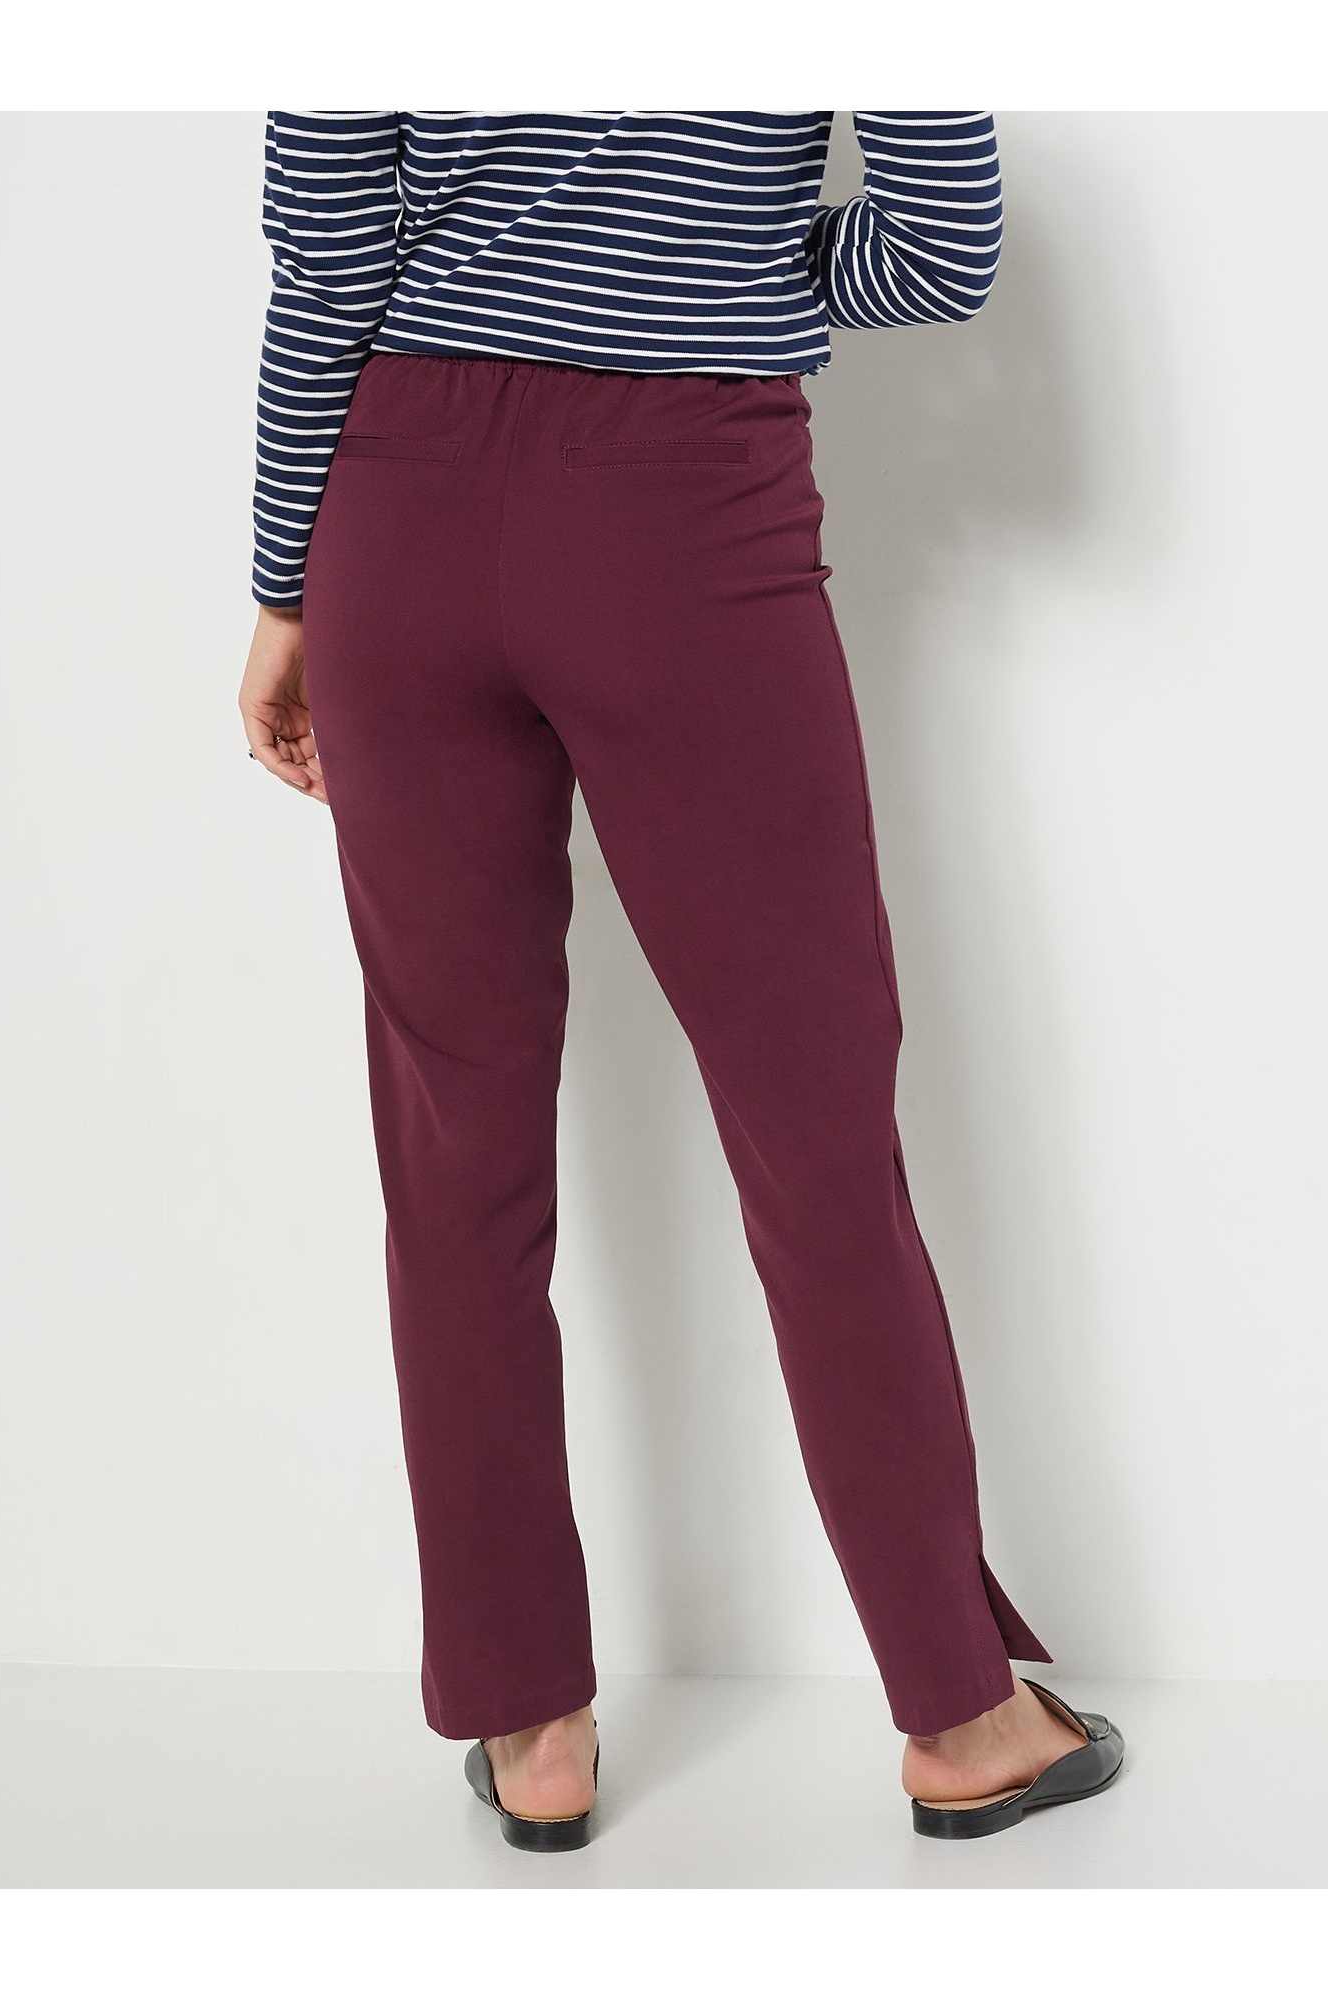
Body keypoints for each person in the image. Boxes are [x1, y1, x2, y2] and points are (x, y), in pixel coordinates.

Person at [238, 109, 1123, 1848]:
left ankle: (529, 1728)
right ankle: (962, 1717)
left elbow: (328, 259)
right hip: (681, 509)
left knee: (455, 1141)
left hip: (395, 509)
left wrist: (285, 588)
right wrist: (731, 265)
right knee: (813, 1132)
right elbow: (939, 254)